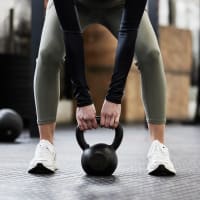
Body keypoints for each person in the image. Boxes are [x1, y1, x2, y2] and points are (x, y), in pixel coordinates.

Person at [28, 0, 176, 176]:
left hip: (120, 4)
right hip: (75, 3)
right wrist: (82, 98)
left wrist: (115, 96)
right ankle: (46, 145)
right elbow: (71, 32)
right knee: (48, 53)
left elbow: (128, 31)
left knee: (150, 54)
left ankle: (158, 146)